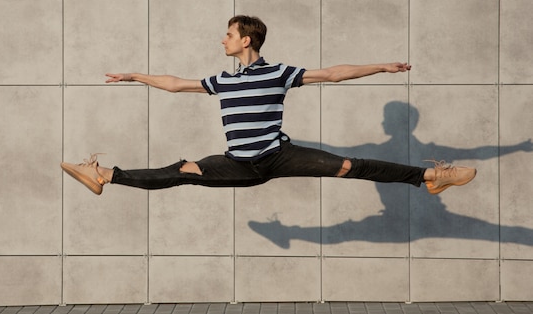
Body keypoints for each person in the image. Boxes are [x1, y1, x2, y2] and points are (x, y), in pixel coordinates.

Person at [61, 15, 476, 196]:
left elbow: (332, 73)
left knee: (352, 166)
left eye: (227, 34)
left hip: (279, 156)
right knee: (181, 172)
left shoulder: (277, 72)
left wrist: (381, 67)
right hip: (238, 164)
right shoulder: (221, 80)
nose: (221, 40)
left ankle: (430, 176)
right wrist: (135, 75)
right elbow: (174, 84)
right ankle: (101, 175)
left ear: (246, 40)